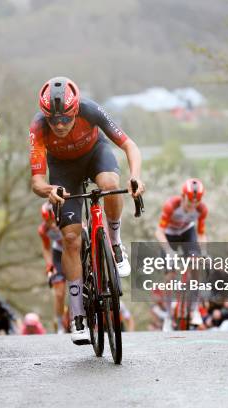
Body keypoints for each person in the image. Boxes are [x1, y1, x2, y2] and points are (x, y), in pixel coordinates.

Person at [29, 76, 144, 345]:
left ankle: (114, 242)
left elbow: (129, 145)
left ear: (75, 109)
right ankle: (78, 313)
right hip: (63, 170)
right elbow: (36, 180)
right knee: (70, 238)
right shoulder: (37, 126)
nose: (59, 125)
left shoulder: (90, 110)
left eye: (65, 119)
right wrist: (49, 191)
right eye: (53, 119)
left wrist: (136, 176)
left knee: (110, 184)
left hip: (95, 155)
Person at [155, 178, 208, 257]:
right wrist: (169, 250)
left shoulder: (202, 209)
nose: (193, 206)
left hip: (187, 231)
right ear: (183, 196)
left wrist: (204, 252)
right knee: (169, 266)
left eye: (197, 202)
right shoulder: (171, 206)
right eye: (190, 202)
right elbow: (159, 232)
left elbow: (201, 235)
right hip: (169, 233)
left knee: (195, 260)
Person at [38, 202, 66, 334]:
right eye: (48, 221)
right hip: (58, 254)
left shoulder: (68, 220)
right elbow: (46, 248)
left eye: (54, 220)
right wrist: (49, 265)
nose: (53, 225)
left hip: (75, 252)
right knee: (59, 294)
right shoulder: (43, 230)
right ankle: (59, 324)